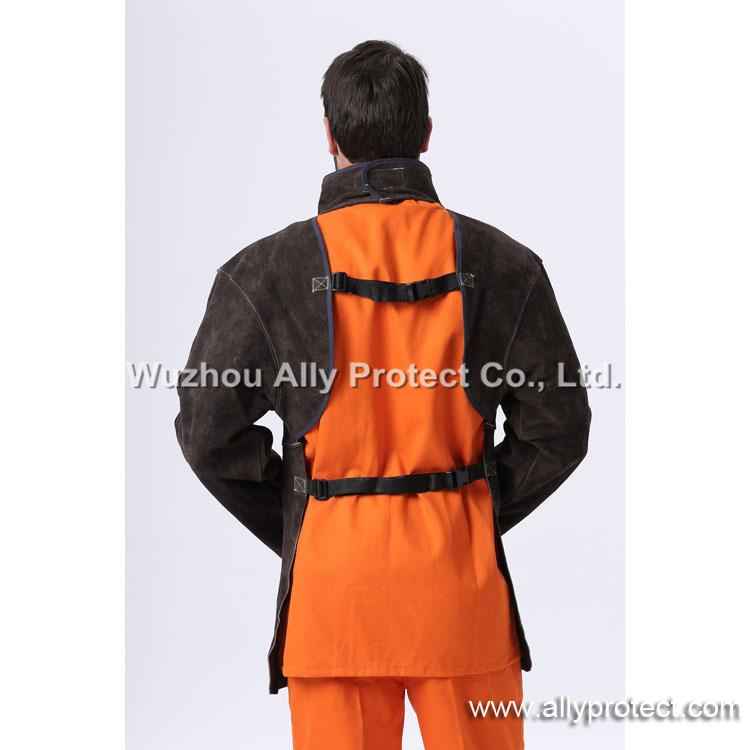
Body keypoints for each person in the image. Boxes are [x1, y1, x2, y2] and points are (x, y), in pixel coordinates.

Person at [176, 39, 591, 750]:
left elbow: (207, 435)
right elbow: (560, 429)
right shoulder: (504, 265)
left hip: (333, 602)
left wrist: (306, 523)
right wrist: (470, 510)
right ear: (425, 133)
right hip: (461, 598)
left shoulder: (263, 271)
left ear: (329, 135)